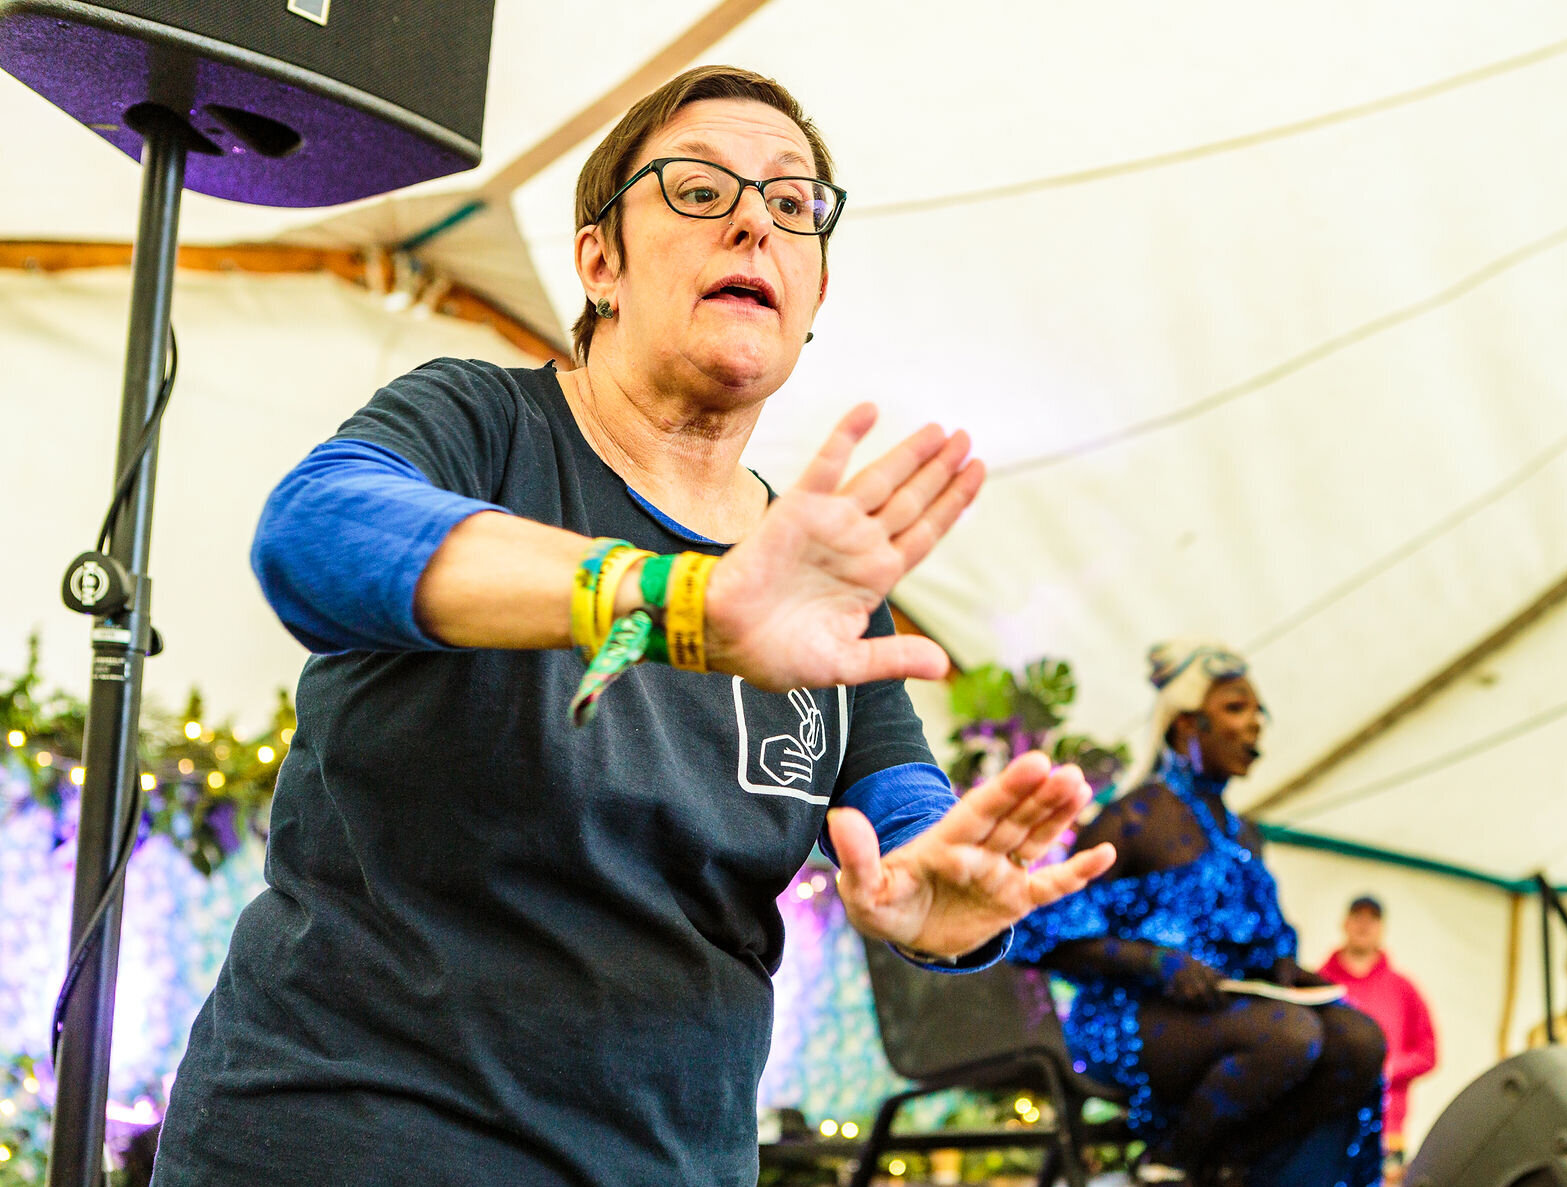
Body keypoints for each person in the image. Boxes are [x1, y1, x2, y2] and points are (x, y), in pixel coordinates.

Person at [150, 65, 1114, 1186]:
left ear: (812, 293)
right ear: (598, 260)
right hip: (359, 1138)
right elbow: (313, 536)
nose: (756, 216)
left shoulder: (819, 574)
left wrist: (936, 894)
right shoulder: (481, 422)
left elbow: (900, 804)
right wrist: (680, 603)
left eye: (792, 204)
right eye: (700, 189)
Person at [1011, 642, 1387, 1185]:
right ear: (1188, 724)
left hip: (1230, 1013)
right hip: (1129, 1016)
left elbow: (1257, 943)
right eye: (1237, 708)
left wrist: (1283, 969)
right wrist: (1155, 963)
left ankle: (1230, 1164)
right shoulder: (1135, 816)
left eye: (1259, 712)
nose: (1255, 724)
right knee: (1288, 1034)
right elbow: (1039, 937)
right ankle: (1170, 1160)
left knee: (1359, 1039)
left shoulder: (1244, 835)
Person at [1317, 896, 1437, 1176]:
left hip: (1385, 1128)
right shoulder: (1319, 982)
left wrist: (1391, 1066)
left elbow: (1428, 1052)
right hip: (1327, 1120)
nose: (1364, 925)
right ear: (1345, 923)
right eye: (1357, 917)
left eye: (1372, 919)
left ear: (1381, 928)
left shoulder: (1403, 989)